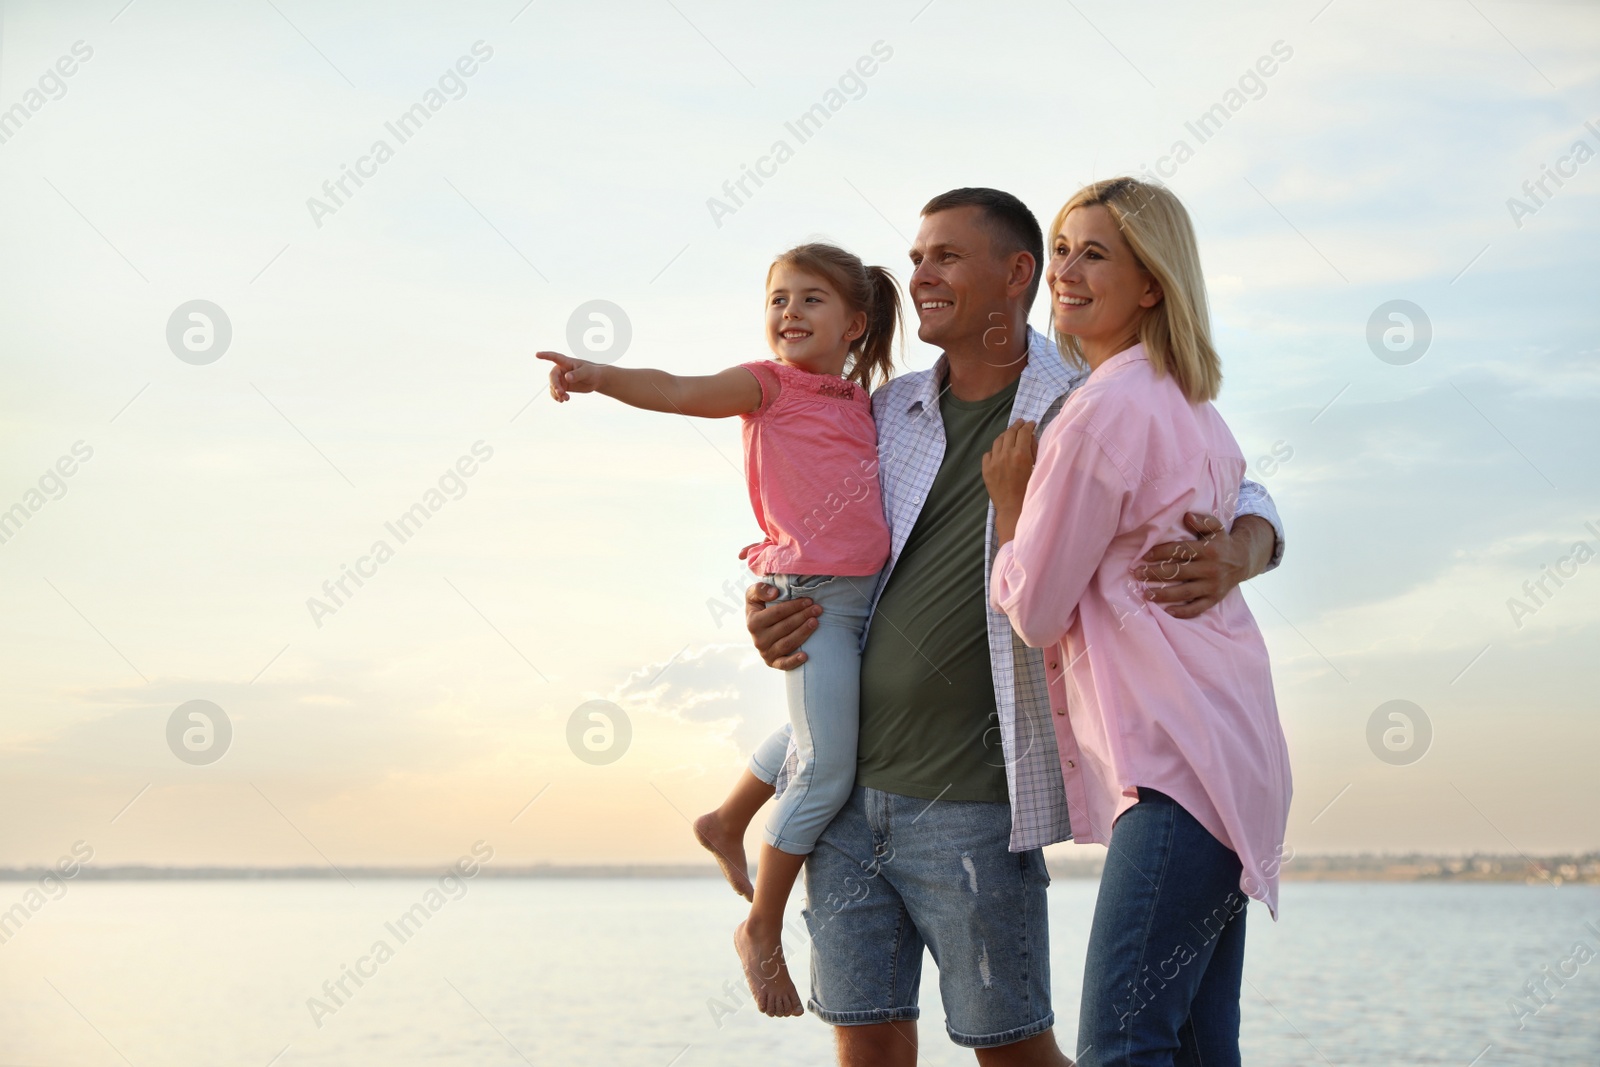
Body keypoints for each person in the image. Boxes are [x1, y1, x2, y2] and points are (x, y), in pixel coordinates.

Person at [744, 188, 1287, 1067]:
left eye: (946, 257)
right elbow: (810, 529)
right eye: (917, 257)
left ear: (1016, 275)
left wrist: (1244, 548)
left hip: (978, 796)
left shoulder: (1085, 397)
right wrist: (769, 600)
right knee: (868, 1043)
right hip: (849, 790)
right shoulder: (884, 415)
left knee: (1019, 1050)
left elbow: (1239, 484)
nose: (919, 274)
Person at [538, 243, 900, 1018]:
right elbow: (676, 388)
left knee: (818, 733)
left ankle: (726, 818)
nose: (789, 312)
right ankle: (761, 929)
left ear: (856, 324)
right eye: (778, 299)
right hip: (813, 601)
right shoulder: (768, 386)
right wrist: (600, 376)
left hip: (870, 600)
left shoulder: (867, 402)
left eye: (811, 299)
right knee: (829, 768)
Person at [985, 177, 1293, 1066]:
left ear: (1151, 282)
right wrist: (1249, 544)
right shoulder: (1193, 405)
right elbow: (1250, 509)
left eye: (1095, 252)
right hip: (1230, 759)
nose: (1065, 271)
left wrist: (1012, 512)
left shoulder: (1099, 414)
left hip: (1177, 768)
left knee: (1122, 1044)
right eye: (1063, 248)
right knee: (1196, 1045)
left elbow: (1038, 610)